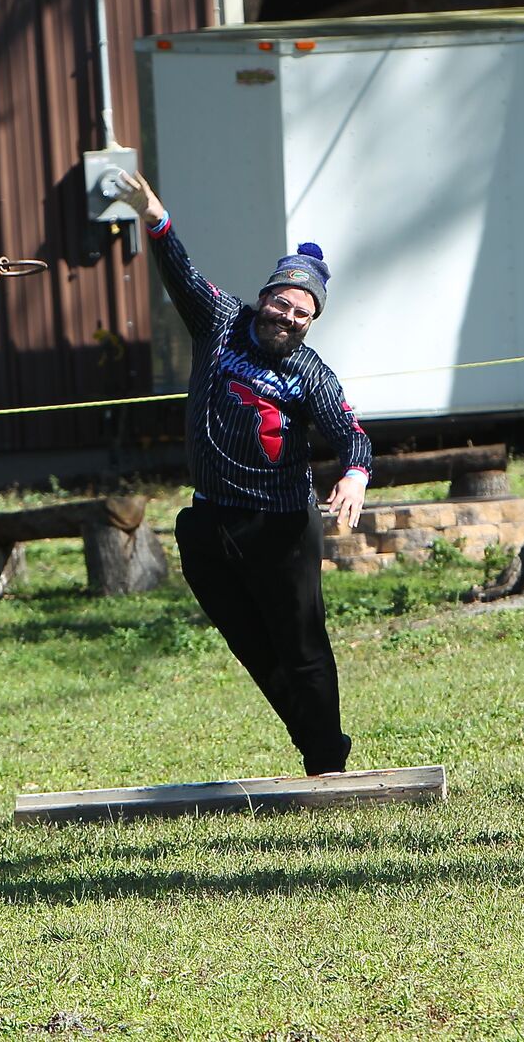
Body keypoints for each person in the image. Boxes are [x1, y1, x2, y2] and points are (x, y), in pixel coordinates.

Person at [117, 171, 373, 776]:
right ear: (264, 297)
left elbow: (350, 433)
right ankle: (318, 742)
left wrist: (355, 473)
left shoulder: (310, 372)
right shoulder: (220, 322)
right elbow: (181, 269)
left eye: (301, 312)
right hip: (211, 523)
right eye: (281, 302)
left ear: (311, 323)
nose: (286, 316)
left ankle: (325, 759)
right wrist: (155, 217)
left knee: (303, 648)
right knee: (253, 645)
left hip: (281, 527)